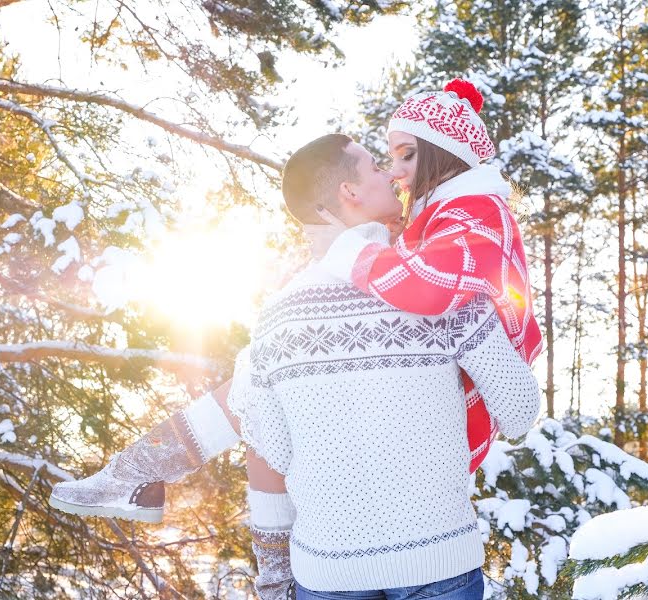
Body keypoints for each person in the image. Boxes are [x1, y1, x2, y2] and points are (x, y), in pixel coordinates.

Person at [50, 79, 544, 597]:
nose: (393, 174)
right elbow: (517, 408)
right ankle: (133, 471)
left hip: (328, 573)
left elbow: (267, 459)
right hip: (436, 563)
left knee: (239, 401)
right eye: (378, 166)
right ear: (348, 193)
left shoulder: (282, 314)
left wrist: (275, 579)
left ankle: (133, 471)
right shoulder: (437, 287)